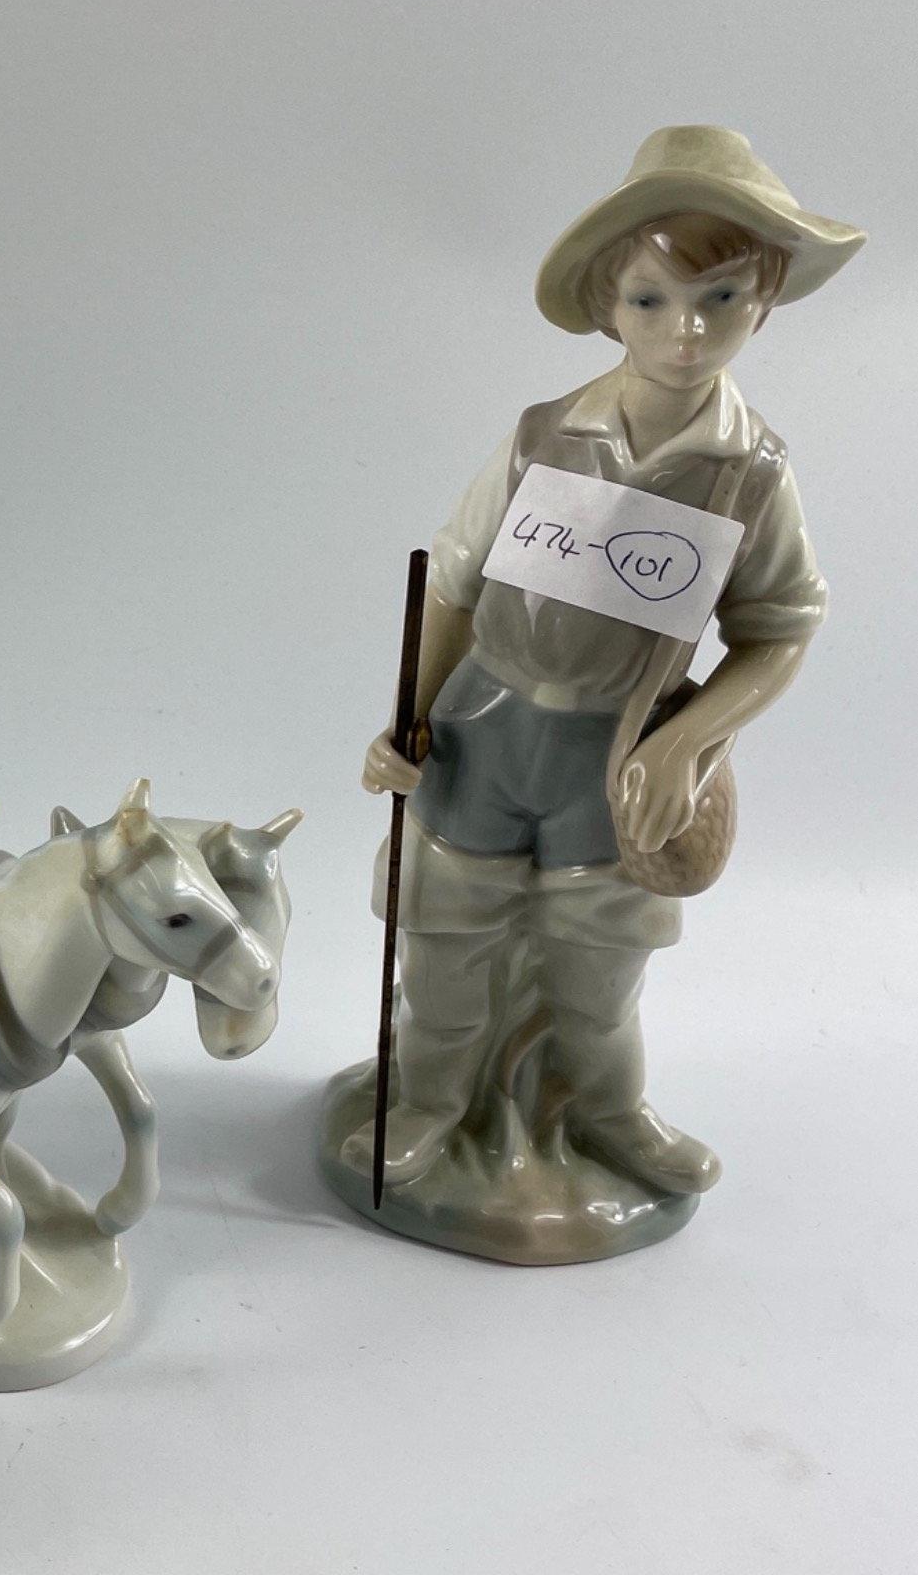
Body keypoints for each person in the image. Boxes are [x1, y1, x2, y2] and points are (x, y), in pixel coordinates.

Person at [349, 126, 858, 1221]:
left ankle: (607, 1111)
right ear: (605, 303)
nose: (685, 330)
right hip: (484, 728)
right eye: (648, 299)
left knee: (599, 967)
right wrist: (406, 719)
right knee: (444, 941)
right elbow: (454, 582)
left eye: (720, 299)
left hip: (610, 756)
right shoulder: (543, 436)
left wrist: (688, 740)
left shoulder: (751, 474)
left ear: (765, 298)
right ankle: (428, 1098)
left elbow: (780, 628)